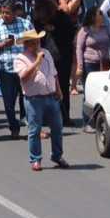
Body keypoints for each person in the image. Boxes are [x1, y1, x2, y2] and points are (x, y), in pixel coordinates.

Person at [15, 30, 68, 172]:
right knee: (34, 130)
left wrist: (58, 89)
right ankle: (35, 159)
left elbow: (54, 73)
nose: (36, 45)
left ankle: (57, 156)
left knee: (57, 127)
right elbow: (24, 77)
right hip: (34, 99)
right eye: (33, 42)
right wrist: (37, 61)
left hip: (51, 96)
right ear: (26, 44)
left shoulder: (47, 53)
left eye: (37, 41)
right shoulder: (20, 58)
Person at [0, 3, 33, 139]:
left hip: (24, 67)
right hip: (6, 68)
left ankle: (32, 127)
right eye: (2, 13)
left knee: (28, 98)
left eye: (7, 13)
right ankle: (14, 127)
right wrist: (2, 45)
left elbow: (35, 43)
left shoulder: (25, 24)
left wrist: (23, 41)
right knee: (8, 101)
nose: (4, 16)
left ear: (15, 13)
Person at [74, 10, 110, 132]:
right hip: (89, 64)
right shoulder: (85, 30)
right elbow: (79, 48)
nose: (101, 17)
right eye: (99, 15)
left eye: (102, 15)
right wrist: (80, 66)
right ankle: (88, 122)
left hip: (104, 63)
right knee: (89, 93)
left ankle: (100, 120)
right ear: (92, 17)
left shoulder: (104, 28)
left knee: (102, 93)